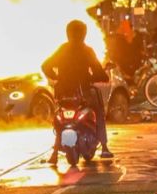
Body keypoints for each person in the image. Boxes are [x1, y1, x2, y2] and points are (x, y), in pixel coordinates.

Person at [42, 20, 112, 165]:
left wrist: (56, 78)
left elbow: (45, 66)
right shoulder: (87, 50)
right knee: (99, 110)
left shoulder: (62, 49)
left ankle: (54, 153)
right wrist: (100, 76)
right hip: (83, 93)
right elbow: (98, 72)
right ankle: (104, 147)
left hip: (63, 94)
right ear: (84, 34)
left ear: (68, 34)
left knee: (59, 117)